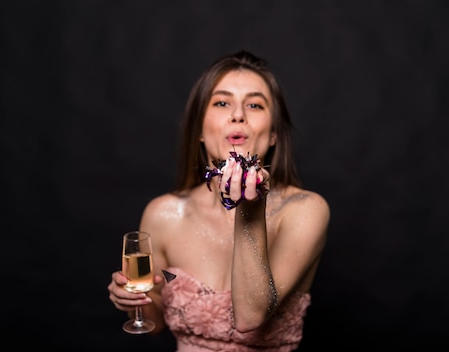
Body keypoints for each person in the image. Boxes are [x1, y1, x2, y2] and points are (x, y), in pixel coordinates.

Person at [108, 50, 330, 351]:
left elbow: (251, 317)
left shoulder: (305, 211)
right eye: (222, 102)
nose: (238, 115)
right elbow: (155, 322)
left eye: (254, 104)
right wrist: (133, 302)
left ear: (275, 133)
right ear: (199, 129)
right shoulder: (163, 214)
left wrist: (249, 210)